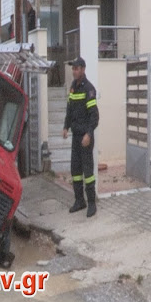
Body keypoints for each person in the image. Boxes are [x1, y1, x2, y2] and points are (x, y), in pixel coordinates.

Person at [62, 57, 99, 217]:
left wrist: (89, 134)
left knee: (88, 172)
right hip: (75, 137)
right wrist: (65, 126)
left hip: (85, 138)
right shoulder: (73, 88)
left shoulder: (89, 89)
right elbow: (69, 110)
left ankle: (91, 203)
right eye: (73, 68)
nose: (74, 71)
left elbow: (95, 116)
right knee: (75, 170)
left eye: (77, 68)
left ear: (83, 69)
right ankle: (79, 201)